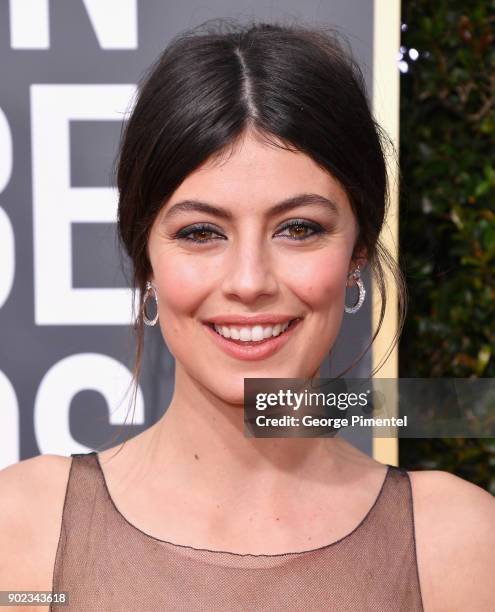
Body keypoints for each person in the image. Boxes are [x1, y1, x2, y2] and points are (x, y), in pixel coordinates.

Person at [1, 19, 494, 612]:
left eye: (299, 228)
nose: (250, 282)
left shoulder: (459, 545)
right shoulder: (24, 532)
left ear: (358, 253)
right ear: (147, 260)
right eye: (201, 232)